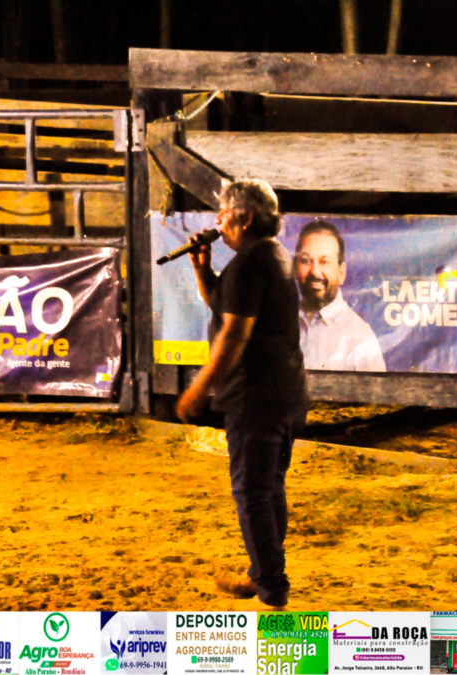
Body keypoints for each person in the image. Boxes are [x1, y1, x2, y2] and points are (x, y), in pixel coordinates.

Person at [175, 179, 309, 610]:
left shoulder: (252, 262)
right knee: (269, 487)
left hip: (256, 396)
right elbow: (224, 304)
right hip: (283, 392)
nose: (217, 221)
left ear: (245, 217)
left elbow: (233, 334)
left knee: (252, 492)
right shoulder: (269, 256)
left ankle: (270, 587)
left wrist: (198, 388)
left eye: (223, 213)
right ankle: (264, 572)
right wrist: (202, 268)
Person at [294, 220, 386, 372]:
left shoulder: (360, 337)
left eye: (324, 262)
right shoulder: (278, 324)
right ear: (295, 267)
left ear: (341, 273)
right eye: (306, 261)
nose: (315, 272)